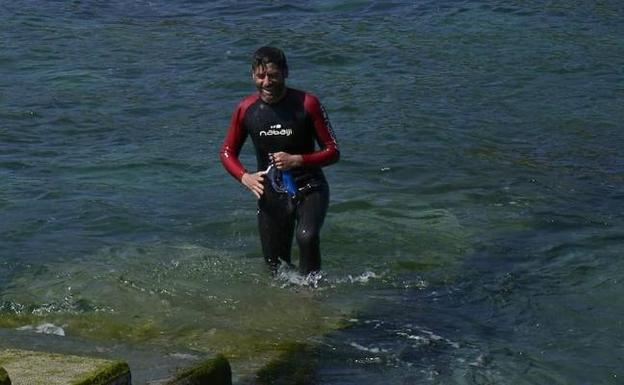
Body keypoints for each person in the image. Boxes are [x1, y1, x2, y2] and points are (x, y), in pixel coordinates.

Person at [219, 46, 339, 275]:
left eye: (273, 75)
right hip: (271, 192)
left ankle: (312, 295)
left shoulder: (307, 103)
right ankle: (284, 307)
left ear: (285, 72)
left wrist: (298, 160)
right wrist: (245, 177)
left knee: (307, 236)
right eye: (260, 76)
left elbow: (333, 151)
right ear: (252, 75)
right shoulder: (246, 109)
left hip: (310, 186)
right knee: (275, 266)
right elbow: (226, 151)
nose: (266, 82)